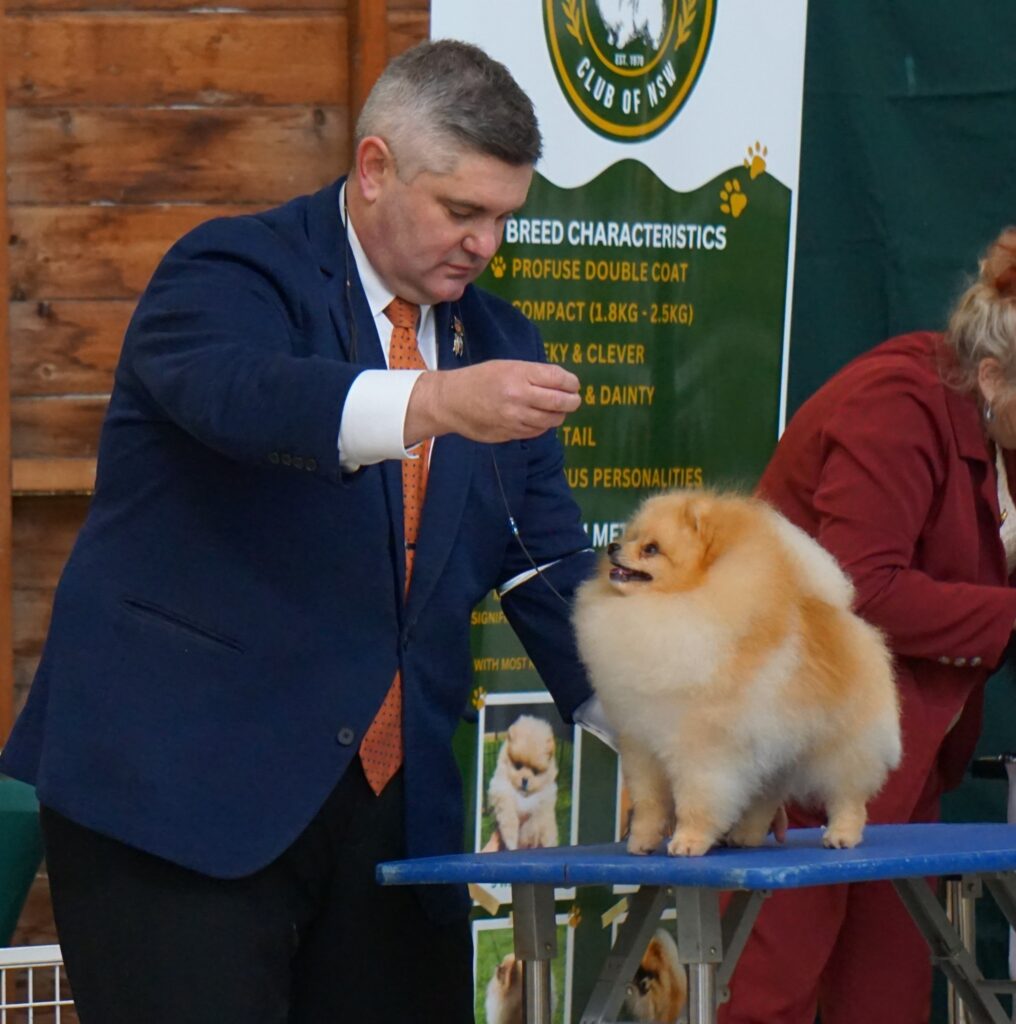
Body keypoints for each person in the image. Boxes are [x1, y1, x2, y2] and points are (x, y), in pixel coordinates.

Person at [0, 40, 603, 1023]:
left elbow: (545, 564)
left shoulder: (498, 340)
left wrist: (680, 740)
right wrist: (435, 401)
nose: (484, 243)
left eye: (504, 217)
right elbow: (250, 399)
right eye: (461, 210)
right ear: (374, 168)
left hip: (393, 829)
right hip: (179, 803)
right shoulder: (229, 269)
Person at [721, 227, 1016, 1024]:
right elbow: (861, 588)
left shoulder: (1003, 422)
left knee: (887, 1003)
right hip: (798, 751)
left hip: (900, 757)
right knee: (764, 1001)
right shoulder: (895, 404)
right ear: (993, 376)